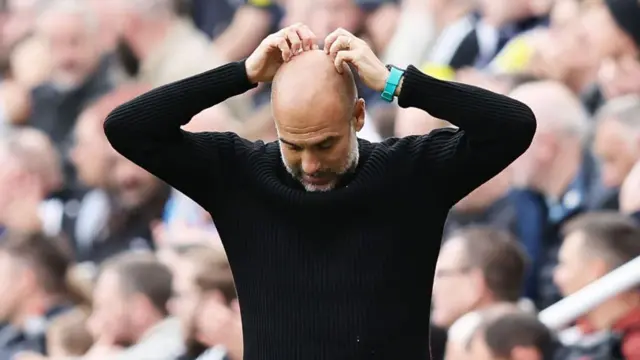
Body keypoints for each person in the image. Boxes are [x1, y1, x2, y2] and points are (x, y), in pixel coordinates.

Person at [104, 23, 536, 359]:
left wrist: (397, 82)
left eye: (326, 143)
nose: (311, 164)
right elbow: (127, 128)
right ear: (274, 126)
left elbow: (513, 126)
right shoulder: (237, 175)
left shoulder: (411, 173)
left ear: (359, 117)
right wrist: (243, 73)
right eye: (294, 145)